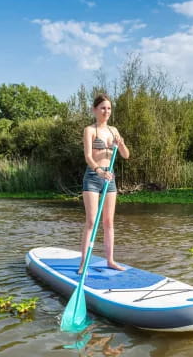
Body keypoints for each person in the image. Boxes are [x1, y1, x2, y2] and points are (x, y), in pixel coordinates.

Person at [79, 94, 130, 274]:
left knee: (108, 222)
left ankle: (110, 260)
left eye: (108, 108)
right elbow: (88, 157)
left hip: (110, 179)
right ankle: (83, 263)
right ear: (94, 110)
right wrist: (99, 171)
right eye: (102, 108)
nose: (106, 111)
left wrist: (121, 144)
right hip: (93, 177)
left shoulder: (114, 130)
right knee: (92, 221)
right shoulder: (90, 130)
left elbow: (126, 155)